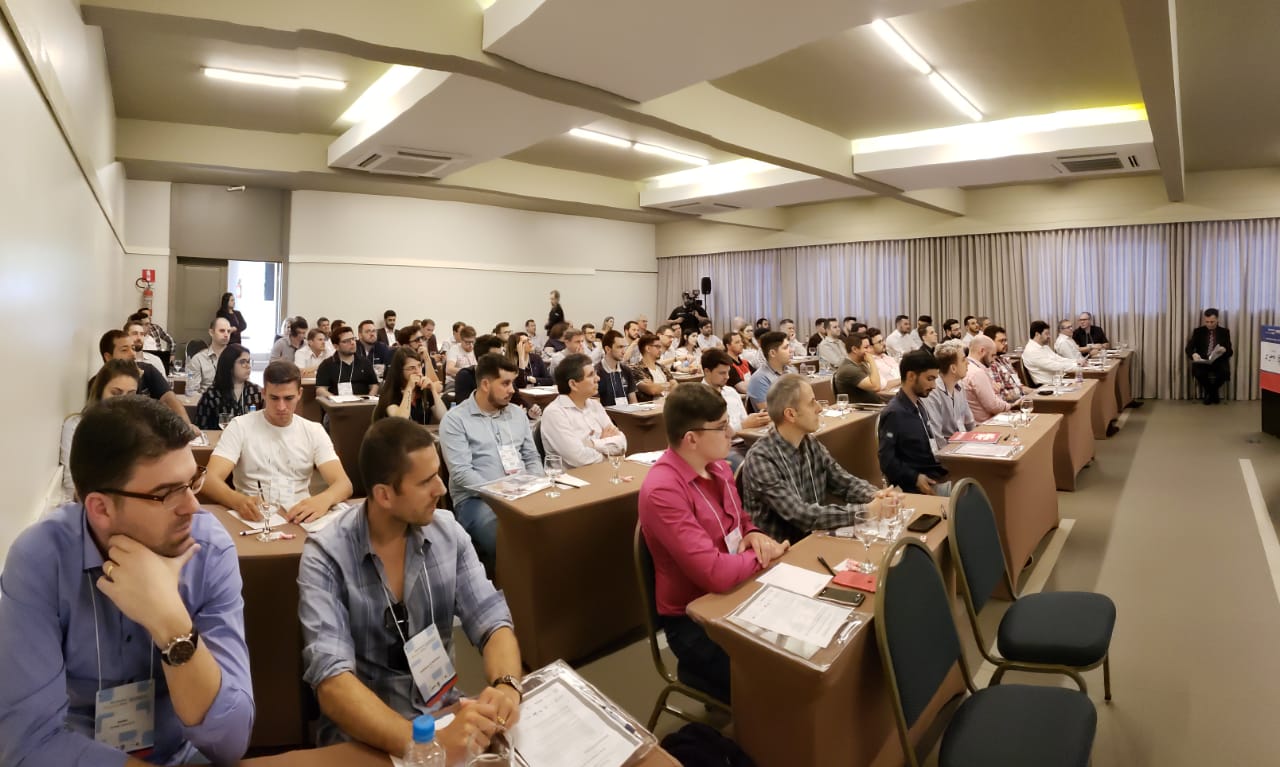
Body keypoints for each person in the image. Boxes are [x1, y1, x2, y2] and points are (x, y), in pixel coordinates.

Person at [0, 396, 254, 765]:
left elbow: (230, 740)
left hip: (180, 754)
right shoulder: (41, 560)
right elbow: (27, 745)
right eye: (166, 493)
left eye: (192, 482)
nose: (192, 507)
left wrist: (169, 622)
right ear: (101, 509)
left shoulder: (208, 550)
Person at [298, 418, 523, 757]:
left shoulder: (449, 534)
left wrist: (507, 686)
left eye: (439, 473)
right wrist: (424, 745)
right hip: (365, 736)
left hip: (443, 712)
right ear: (384, 495)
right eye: (426, 481)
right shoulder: (326, 555)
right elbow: (332, 682)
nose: (442, 489)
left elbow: (492, 620)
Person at [638, 383, 789, 702]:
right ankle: (700, 675)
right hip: (694, 618)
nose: (731, 431)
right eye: (721, 427)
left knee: (803, 652)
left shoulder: (719, 465)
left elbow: (741, 520)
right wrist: (766, 556)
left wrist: (754, 534)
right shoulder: (663, 490)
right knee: (780, 683)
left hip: (740, 589)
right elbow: (714, 574)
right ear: (691, 438)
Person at [741, 374, 887, 544]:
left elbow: (844, 483)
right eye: (812, 403)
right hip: (783, 554)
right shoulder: (761, 459)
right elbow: (800, 515)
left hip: (815, 540)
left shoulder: (809, 443)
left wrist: (876, 494)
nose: (819, 408)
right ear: (791, 414)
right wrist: (866, 511)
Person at [205, 361, 352, 524]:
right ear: (263, 393)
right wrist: (237, 501)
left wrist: (324, 499)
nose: (281, 407)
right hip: (255, 518)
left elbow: (344, 484)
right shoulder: (240, 426)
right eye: (274, 398)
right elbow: (209, 480)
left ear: (299, 394)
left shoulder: (313, 431)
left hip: (300, 517)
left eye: (288, 398)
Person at [439, 354, 543, 562]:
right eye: (505, 383)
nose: (512, 390)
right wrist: (503, 494)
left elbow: (531, 456)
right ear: (485, 384)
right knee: (512, 542)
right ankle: (514, 590)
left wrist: (535, 484)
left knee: (560, 525)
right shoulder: (455, 420)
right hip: (477, 500)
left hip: (524, 491)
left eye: (512, 383)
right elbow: (461, 473)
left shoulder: (516, 413)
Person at [60, 359, 140, 501]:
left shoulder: (139, 429)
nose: (123, 401)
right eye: (116, 393)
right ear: (100, 392)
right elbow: (72, 485)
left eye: (131, 394)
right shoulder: (76, 426)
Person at [878, 350, 949, 496]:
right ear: (911, 376)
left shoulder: (919, 404)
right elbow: (887, 461)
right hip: (920, 483)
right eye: (930, 379)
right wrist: (915, 478)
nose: (934, 385)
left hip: (935, 471)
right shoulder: (894, 413)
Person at [540, 353, 627, 468]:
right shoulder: (555, 413)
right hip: (571, 479)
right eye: (591, 375)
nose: (598, 378)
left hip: (601, 472)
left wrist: (591, 444)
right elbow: (578, 458)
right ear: (573, 384)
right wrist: (609, 454)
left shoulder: (595, 405)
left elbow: (622, 443)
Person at [99, 329, 196, 429]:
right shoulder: (100, 382)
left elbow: (169, 399)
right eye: (124, 350)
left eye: (133, 348)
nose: (132, 354)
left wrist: (186, 426)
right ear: (108, 357)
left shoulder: (148, 370)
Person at [702, 349, 770, 471]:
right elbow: (709, 436)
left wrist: (758, 420)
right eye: (722, 373)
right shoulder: (699, 397)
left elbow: (745, 422)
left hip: (745, 442)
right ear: (707, 371)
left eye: (728, 372)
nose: (727, 377)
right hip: (721, 448)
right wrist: (743, 425)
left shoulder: (731, 392)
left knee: (776, 453)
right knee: (752, 466)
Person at [195, 343, 264, 430]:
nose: (248, 366)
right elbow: (200, 427)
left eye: (249, 362)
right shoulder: (212, 394)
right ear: (229, 365)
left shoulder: (256, 391)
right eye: (242, 362)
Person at [919, 341, 975, 447]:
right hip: (947, 451)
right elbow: (937, 437)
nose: (968, 363)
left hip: (962, 443)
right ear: (953, 368)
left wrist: (978, 442)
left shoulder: (959, 385)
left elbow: (969, 421)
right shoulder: (932, 393)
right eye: (963, 360)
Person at [373, 347, 446, 425]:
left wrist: (433, 390)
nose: (418, 372)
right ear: (400, 371)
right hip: (396, 435)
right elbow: (401, 421)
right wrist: (409, 388)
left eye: (419, 366)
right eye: (412, 368)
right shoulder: (391, 393)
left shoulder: (423, 389)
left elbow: (443, 417)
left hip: (420, 435)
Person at [963, 335, 1020, 422]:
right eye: (992, 355)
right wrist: (1013, 406)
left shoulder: (969, 367)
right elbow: (994, 406)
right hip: (987, 424)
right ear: (982, 351)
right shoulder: (977, 372)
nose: (994, 361)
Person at [317, 325, 380, 398]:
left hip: (362, 405)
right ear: (336, 346)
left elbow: (374, 385)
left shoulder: (365, 362)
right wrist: (335, 400)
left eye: (353, 339)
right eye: (346, 341)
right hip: (337, 406)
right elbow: (320, 390)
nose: (352, 343)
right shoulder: (327, 364)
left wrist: (369, 399)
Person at [1186, 307, 1233, 404]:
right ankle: (1213, 393)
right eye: (1207, 322)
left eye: (1212, 322)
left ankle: (1210, 393)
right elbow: (1189, 348)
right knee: (1199, 373)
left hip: (1219, 360)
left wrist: (1224, 350)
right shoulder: (1198, 331)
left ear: (1217, 319)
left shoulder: (1224, 332)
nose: (1209, 324)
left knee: (1224, 373)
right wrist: (1194, 354)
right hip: (1202, 361)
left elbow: (1230, 351)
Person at [1022, 320, 1081, 386]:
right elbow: (1054, 365)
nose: (1049, 336)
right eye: (1046, 334)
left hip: (1058, 380)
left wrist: (1076, 362)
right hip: (1047, 386)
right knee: (1082, 386)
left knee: (1084, 384)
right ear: (1037, 334)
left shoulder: (1044, 346)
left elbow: (1058, 359)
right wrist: (1077, 366)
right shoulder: (1031, 351)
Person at [983, 325, 1034, 401]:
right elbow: (1002, 396)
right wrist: (1024, 398)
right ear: (990, 342)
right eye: (1001, 341)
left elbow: (1019, 387)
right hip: (1013, 405)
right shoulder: (990, 364)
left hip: (1021, 399)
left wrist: (1036, 392)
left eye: (1005, 340)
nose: (1005, 343)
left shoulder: (1004, 361)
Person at [746, 331, 792, 411]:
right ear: (773, 353)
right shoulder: (759, 379)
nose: (791, 350)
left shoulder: (791, 371)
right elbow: (770, 413)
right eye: (785, 347)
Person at [833, 332, 882, 405]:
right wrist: (872, 361)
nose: (870, 351)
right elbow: (876, 387)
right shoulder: (848, 369)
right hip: (863, 410)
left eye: (869, 347)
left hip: (874, 405)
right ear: (854, 349)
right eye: (866, 347)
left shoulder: (862, 362)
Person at [454, 334, 505, 404]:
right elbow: (463, 408)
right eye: (495, 357)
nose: (501, 360)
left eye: (501, 355)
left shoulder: (503, 374)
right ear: (481, 359)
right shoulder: (465, 376)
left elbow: (519, 401)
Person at [190, 316, 233, 395]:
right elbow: (192, 390)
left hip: (231, 403)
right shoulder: (198, 359)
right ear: (211, 332)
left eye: (229, 331)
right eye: (222, 331)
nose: (226, 334)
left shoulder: (236, 358)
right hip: (206, 403)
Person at [595, 329, 637, 407]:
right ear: (607, 349)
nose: (623, 351)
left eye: (624, 347)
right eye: (620, 347)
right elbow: (596, 406)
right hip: (606, 417)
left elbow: (633, 402)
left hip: (627, 416)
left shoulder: (626, 370)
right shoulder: (596, 372)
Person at [633, 333, 675, 402]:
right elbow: (652, 390)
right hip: (651, 408)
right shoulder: (636, 369)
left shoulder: (662, 367)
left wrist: (658, 386)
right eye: (657, 347)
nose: (660, 350)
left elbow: (675, 386)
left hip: (668, 404)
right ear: (648, 348)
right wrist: (668, 384)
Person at [867, 327, 903, 393]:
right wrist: (905, 380)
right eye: (879, 342)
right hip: (892, 395)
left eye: (883, 340)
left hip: (904, 388)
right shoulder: (871, 363)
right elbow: (884, 386)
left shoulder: (886, 357)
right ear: (870, 347)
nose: (884, 344)